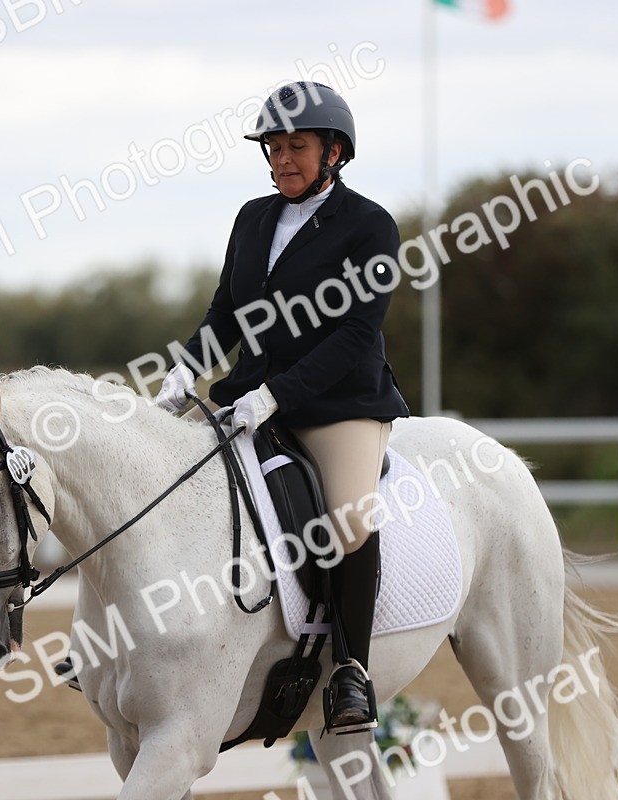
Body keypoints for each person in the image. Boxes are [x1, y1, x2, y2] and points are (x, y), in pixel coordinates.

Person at [155, 81, 410, 733]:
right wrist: (185, 368)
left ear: (334, 153)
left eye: (296, 146)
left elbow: (356, 333)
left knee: (350, 518)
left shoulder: (369, 225)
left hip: (337, 404)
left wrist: (279, 395)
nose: (281, 160)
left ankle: (352, 672)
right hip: (249, 399)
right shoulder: (253, 218)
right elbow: (225, 315)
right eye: (273, 147)